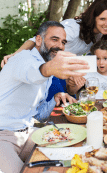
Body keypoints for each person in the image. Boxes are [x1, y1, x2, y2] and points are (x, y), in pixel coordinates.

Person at [0, 21, 89, 173]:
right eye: (54, 39)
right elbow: (33, 73)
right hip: (3, 137)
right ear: (39, 40)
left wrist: (55, 99)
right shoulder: (22, 59)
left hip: (28, 133)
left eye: (63, 42)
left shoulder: (45, 69)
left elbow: (38, 115)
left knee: (71, 159)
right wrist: (50, 68)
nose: (60, 46)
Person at [1, 0, 107, 98]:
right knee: (55, 103)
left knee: (69, 101)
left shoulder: (100, 34)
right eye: (102, 19)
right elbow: (36, 39)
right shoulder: (73, 28)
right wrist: (15, 55)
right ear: (93, 18)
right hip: (47, 65)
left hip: (63, 68)